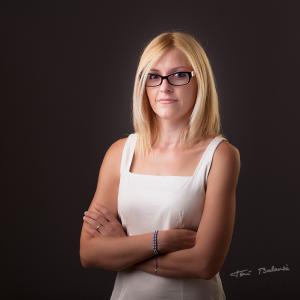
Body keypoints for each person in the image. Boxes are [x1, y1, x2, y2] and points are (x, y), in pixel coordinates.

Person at [80, 31, 241, 300]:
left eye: (178, 75)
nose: (164, 87)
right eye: (153, 76)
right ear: (143, 84)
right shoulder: (120, 152)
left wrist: (121, 250)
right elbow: (89, 253)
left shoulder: (220, 156)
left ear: (199, 81)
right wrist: (159, 241)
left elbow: (204, 264)